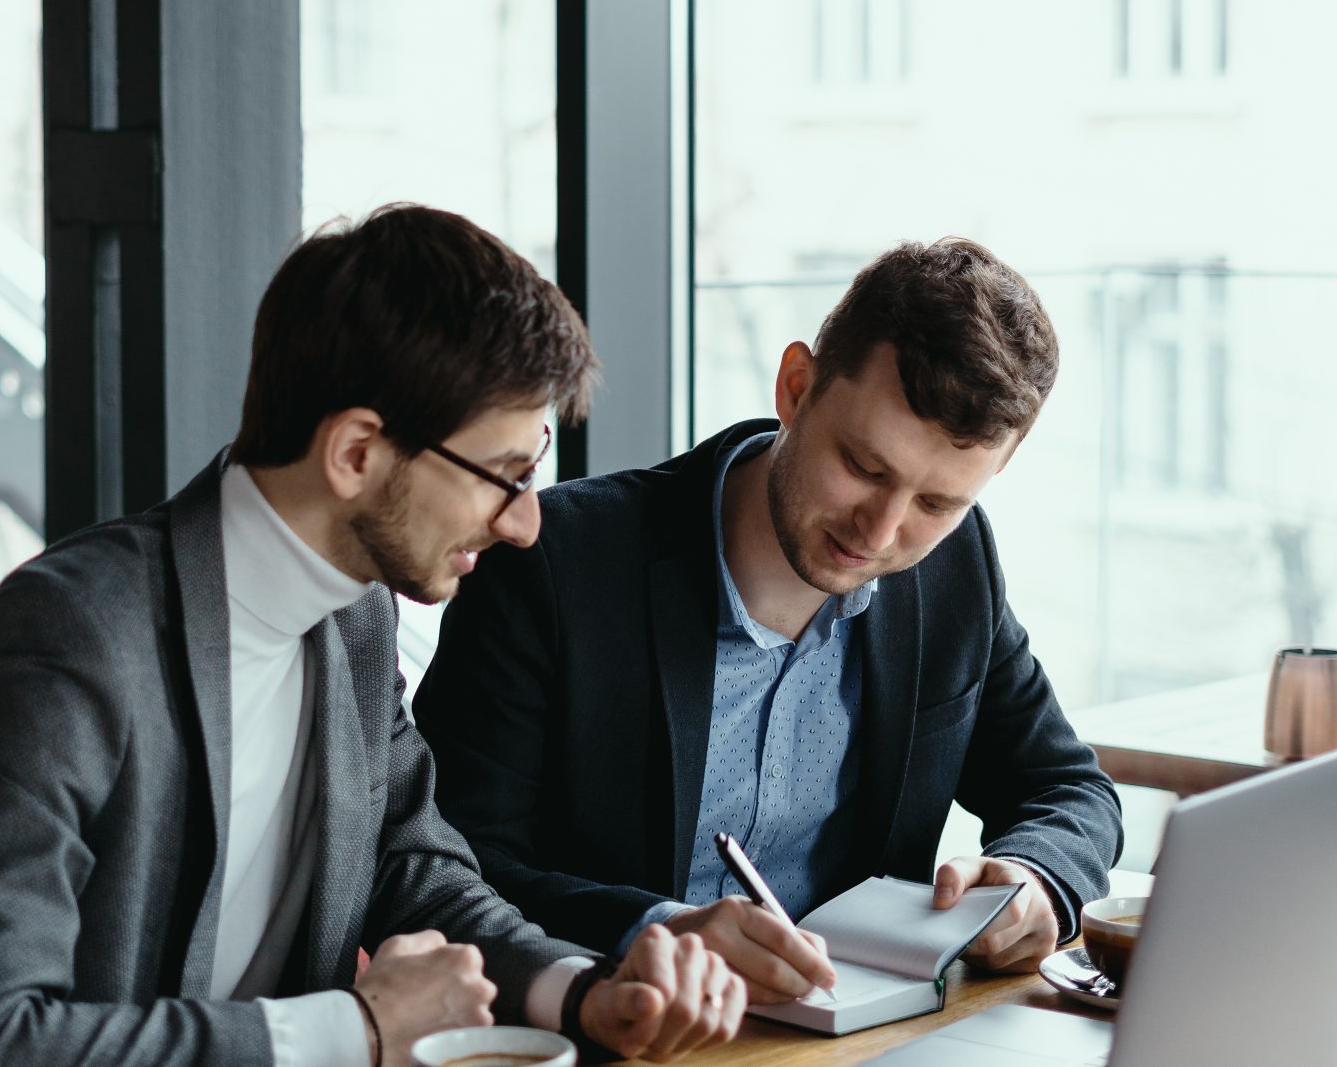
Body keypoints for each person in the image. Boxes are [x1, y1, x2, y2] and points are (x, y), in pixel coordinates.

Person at [0, 205, 746, 1066]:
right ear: (357, 453)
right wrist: (355, 1033)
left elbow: (411, 867)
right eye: (504, 477)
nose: (523, 525)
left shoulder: (355, 616)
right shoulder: (66, 642)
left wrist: (587, 992)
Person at [415, 237, 1123, 1006]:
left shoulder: (955, 568)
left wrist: (1033, 882)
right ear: (796, 387)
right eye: (864, 467)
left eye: (935, 503)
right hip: (617, 1035)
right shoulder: (553, 566)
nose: (880, 533)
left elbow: (1066, 787)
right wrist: (654, 929)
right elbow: (454, 862)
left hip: (868, 1042)